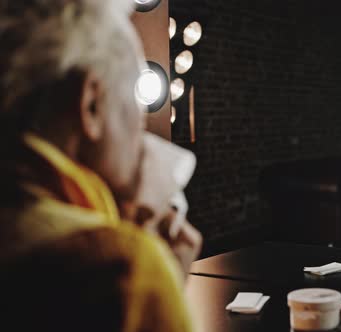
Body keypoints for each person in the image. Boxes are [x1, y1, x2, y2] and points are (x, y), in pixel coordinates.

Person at [0, 0, 200, 330]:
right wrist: (156, 289)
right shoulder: (121, 268)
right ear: (91, 105)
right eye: (136, 109)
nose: (142, 135)